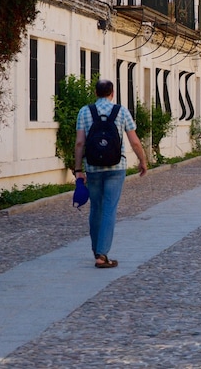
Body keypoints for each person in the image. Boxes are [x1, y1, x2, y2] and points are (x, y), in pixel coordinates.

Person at [73, 79, 147, 269]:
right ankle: (102, 254)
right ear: (112, 93)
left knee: (96, 208)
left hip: (93, 167)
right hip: (116, 167)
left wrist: (78, 169)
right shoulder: (121, 111)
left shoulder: (85, 111)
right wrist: (142, 160)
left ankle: (97, 250)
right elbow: (134, 141)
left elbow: (80, 143)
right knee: (109, 209)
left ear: (96, 93)